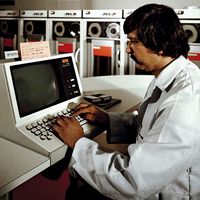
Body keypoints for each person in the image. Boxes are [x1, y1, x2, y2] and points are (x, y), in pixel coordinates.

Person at [53, 3, 200, 200]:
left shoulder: (184, 101)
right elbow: (152, 128)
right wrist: (107, 119)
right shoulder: (169, 76)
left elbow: (132, 182)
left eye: (133, 41)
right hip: (153, 181)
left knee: (78, 195)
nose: (127, 49)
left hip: (160, 192)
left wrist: (79, 143)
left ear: (159, 44)